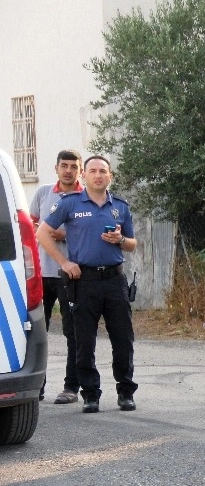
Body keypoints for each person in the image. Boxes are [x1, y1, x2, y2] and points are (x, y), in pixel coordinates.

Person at [36, 155, 138, 414]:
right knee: (84, 341)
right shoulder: (69, 204)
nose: (98, 175)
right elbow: (42, 233)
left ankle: (125, 392)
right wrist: (64, 262)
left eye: (103, 171)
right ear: (85, 176)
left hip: (115, 279)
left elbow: (133, 244)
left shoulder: (120, 206)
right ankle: (90, 394)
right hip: (84, 280)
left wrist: (120, 240)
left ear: (110, 176)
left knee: (123, 339)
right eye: (93, 171)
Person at [28, 150, 83, 404]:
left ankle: (71, 387)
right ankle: (37, 385)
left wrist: (63, 234)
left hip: (70, 274)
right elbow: (31, 226)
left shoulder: (85, 197)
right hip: (41, 273)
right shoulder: (43, 193)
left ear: (80, 170)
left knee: (73, 332)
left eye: (74, 166)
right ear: (57, 168)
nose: (68, 170)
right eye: (64, 165)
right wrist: (43, 231)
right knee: (38, 331)